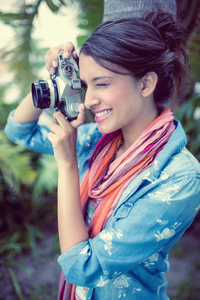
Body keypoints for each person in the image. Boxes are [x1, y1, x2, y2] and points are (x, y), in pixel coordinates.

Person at [4, 9, 200, 300]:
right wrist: (53, 76)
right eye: (85, 85)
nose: (90, 99)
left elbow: (83, 266)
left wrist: (68, 164)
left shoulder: (180, 177)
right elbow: (19, 131)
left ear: (146, 84)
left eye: (102, 83)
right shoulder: (99, 141)